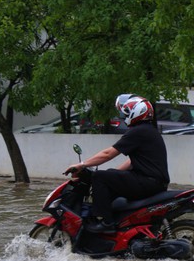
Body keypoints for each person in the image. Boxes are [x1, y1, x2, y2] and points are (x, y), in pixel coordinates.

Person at [65, 95, 170, 233]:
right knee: (107, 176)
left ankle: (107, 223)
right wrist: (112, 174)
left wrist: (82, 165)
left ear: (136, 113)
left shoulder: (137, 131)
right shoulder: (149, 130)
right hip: (153, 182)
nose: (123, 116)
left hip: (147, 182)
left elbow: (108, 154)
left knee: (99, 177)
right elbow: (132, 161)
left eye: (125, 113)